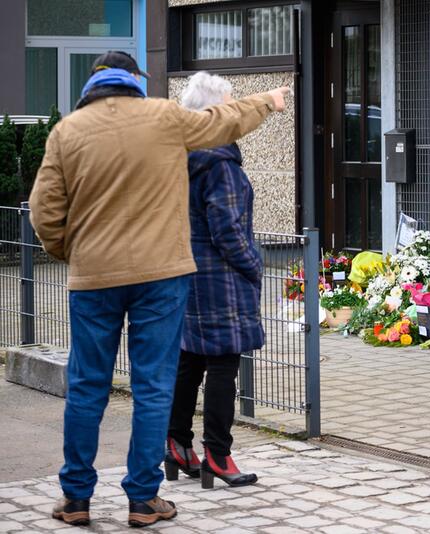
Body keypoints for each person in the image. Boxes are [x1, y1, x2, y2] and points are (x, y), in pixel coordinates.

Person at [29, 51, 290, 528]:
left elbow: (44, 211)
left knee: (88, 386)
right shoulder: (166, 117)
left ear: (94, 83)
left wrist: (73, 251)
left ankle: (76, 499)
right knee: (153, 386)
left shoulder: (66, 132)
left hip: (94, 280)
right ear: (134, 80)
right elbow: (222, 121)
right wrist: (268, 101)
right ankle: (143, 500)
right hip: (161, 278)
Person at [165, 72, 263, 490]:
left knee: (190, 361)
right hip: (221, 280)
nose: (236, 112)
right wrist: (253, 264)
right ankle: (218, 455)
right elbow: (228, 229)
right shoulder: (220, 164)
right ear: (213, 113)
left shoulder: (179, 156)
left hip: (187, 272)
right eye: (230, 104)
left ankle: (176, 445)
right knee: (224, 363)